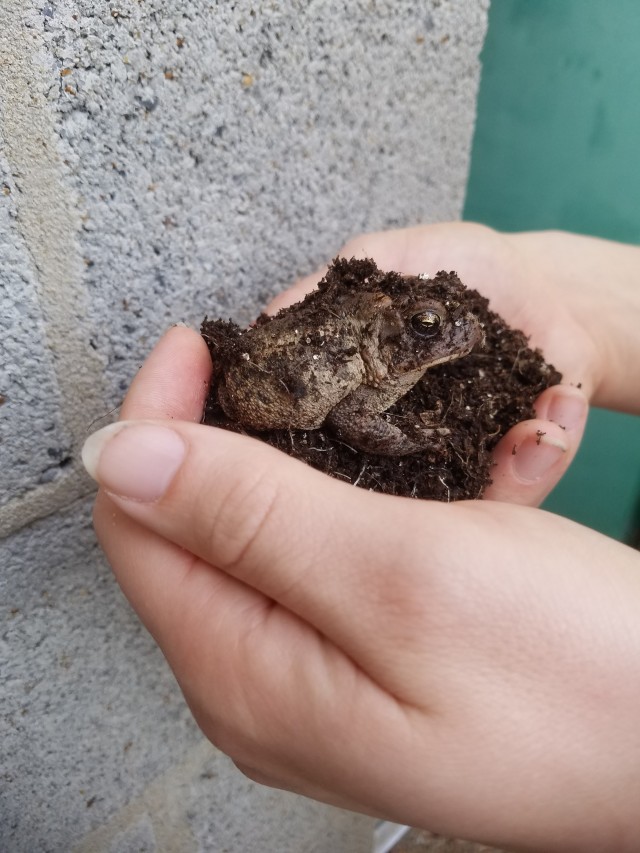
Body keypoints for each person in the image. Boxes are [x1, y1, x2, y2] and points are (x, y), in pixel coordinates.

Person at [82, 223, 640, 852]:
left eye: (443, 320)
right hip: (273, 398)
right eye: (428, 325)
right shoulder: (368, 358)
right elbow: (351, 419)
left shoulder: (393, 346)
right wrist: (413, 439)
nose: (454, 332)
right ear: (390, 331)